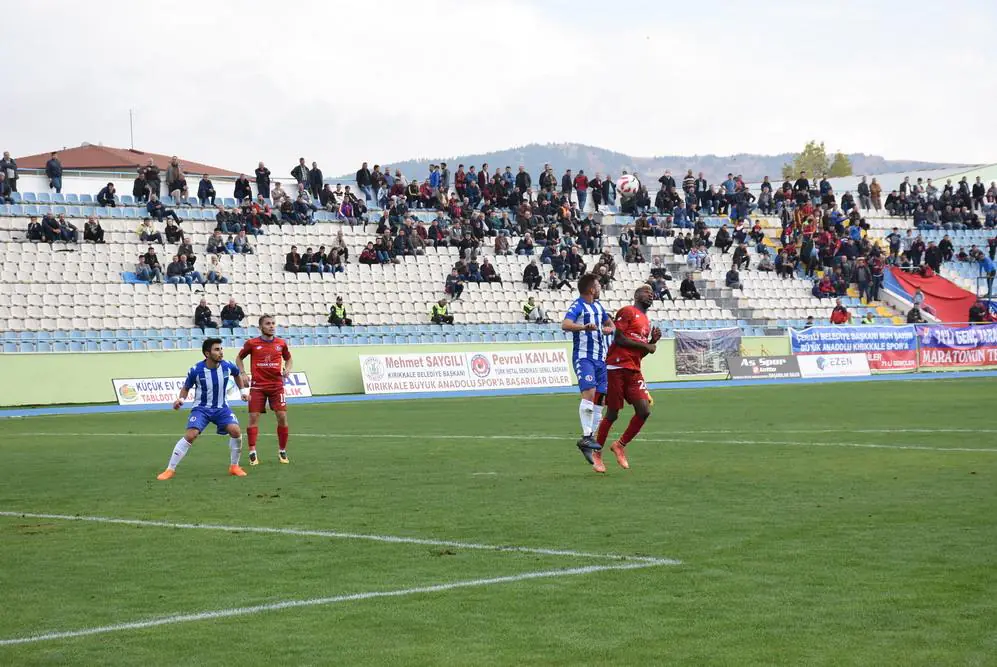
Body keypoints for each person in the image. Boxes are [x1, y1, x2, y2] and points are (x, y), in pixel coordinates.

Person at [156, 338, 248, 480]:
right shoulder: (196, 370)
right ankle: (170, 469)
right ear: (207, 353)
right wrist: (181, 399)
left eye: (221, 349)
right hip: (201, 409)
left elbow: (236, 374)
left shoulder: (228, 365)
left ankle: (234, 466)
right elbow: (186, 387)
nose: (221, 352)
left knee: (235, 431)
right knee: (191, 435)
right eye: (216, 350)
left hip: (221, 408)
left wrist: (242, 391)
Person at [591, 285, 661, 474]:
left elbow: (639, 353)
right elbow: (620, 339)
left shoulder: (646, 322)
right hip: (616, 367)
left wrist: (651, 343)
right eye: (646, 292)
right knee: (612, 414)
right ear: (636, 295)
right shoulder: (628, 311)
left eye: (652, 294)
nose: (650, 295)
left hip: (633, 369)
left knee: (644, 410)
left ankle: (620, 445)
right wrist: (647, 346)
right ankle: (596, 453)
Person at [562, 273, 615, 464]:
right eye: (598, 285)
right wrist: (584, 327)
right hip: (585, 358)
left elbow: (610, 324)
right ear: (591, 289)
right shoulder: (578, 306)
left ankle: (588, 439)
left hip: (601, 359)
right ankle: (586, 436)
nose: (600, 287)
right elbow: (565, 324)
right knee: (590, 393)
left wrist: (610, 328)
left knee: (600, 399)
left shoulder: (599, 307)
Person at [237, 315, 293, 466]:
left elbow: (289, 358)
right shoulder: (252, 343)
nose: (272, 326)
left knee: (282, 416)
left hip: (276, 386)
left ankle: (282, 450)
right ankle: (252, 452)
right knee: (253, 417)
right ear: (261, 327)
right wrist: (242, 373)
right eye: (268, 324)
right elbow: (239, 358)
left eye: (273, 324)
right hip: (257, 386)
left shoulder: (281, 343)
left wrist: (287, 370)